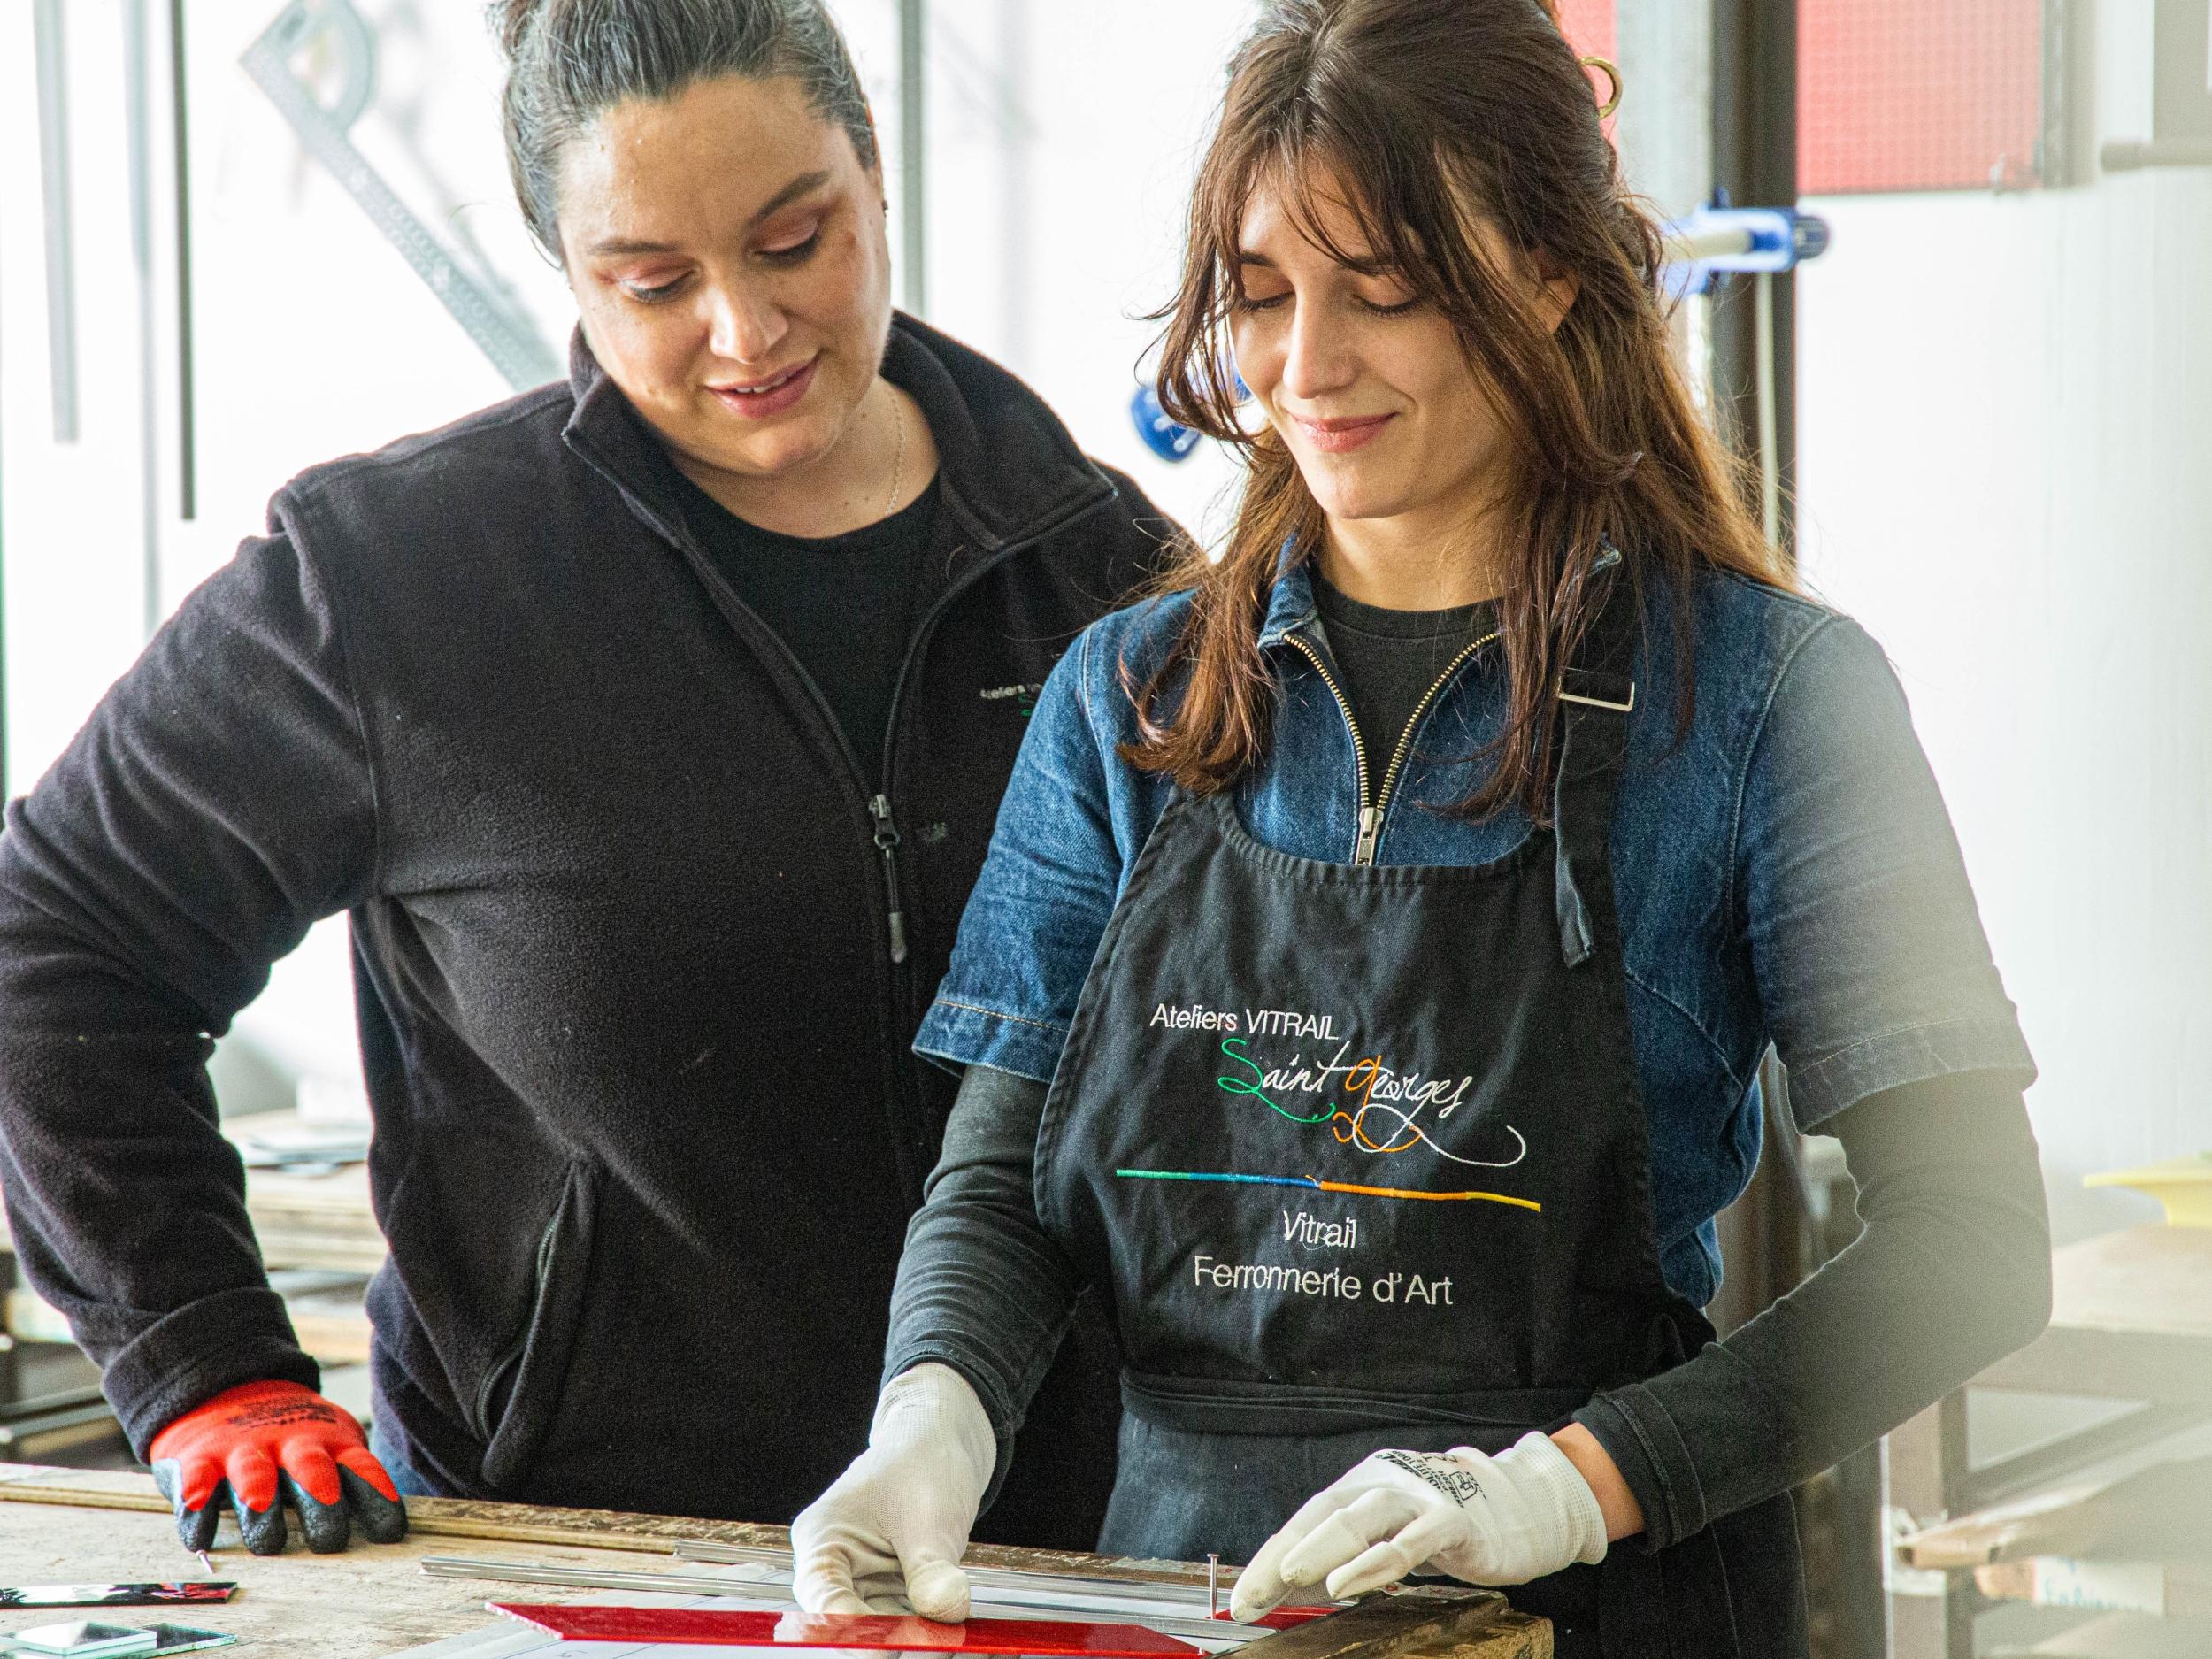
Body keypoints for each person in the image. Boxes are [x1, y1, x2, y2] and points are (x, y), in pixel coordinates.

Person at [787, 2, 2053, 1653]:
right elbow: (1007, 1179)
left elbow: (1975, 1242)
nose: (1307, 368)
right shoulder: (1131, 699)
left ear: (1546, 269)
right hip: (1191, 1607)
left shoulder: (1764, 702)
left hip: (1591, 1606)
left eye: (1384, 290)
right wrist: (929, 1423)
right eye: (1260, 296)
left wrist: (1566, 1485)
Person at [0, 0, 1165, 1556]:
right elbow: (54, 945)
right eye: (655, 282)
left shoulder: (1106, 576)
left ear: (874, 177)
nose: (744, 331)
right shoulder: (395, 585)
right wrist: (201, 1361)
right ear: (566, 267)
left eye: (793, 240)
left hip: (1055, 1553)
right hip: (569, 1552)